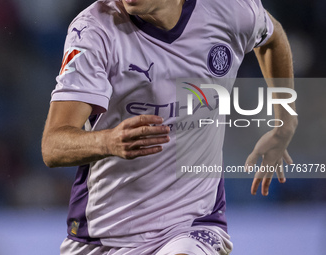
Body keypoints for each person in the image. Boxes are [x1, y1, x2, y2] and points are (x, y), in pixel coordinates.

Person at [41, 0, 297, 254]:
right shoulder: (94, 31)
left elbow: (273, 40)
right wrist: (107, 142)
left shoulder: (230, 8)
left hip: (192, 223)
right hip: (104, 236)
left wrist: (285, 122)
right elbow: (53, 146)